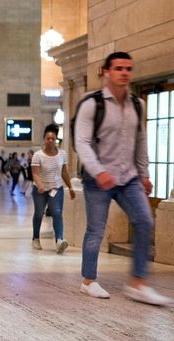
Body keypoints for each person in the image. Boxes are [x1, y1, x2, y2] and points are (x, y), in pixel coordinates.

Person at [75, 51, 172, 306]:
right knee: (96, 229)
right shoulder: (91, 104)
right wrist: (99, 171)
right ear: (107, 72)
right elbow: (82, 143)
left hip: (128, 177)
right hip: (98, 179)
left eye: (128, 68)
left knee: (144, 221)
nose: (124, 73)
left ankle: (138, 283)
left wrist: (144, 174)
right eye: (118, 68)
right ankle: (88, 281)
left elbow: (140, 142)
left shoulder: (137, 105)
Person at [31, 124, 75, 254]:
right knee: (39, 213)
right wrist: (40, 185)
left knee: (56, 212)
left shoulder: (62, 154)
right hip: (40, 190)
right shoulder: (38, 155)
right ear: (44, 139)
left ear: (56, 139)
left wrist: (70, 187)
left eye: (53, 138)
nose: (50, 141)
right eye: (48, 138)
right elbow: (35, 173)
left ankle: (59, 241)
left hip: (56, 188)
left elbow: (64, 172)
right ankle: (35, 238)